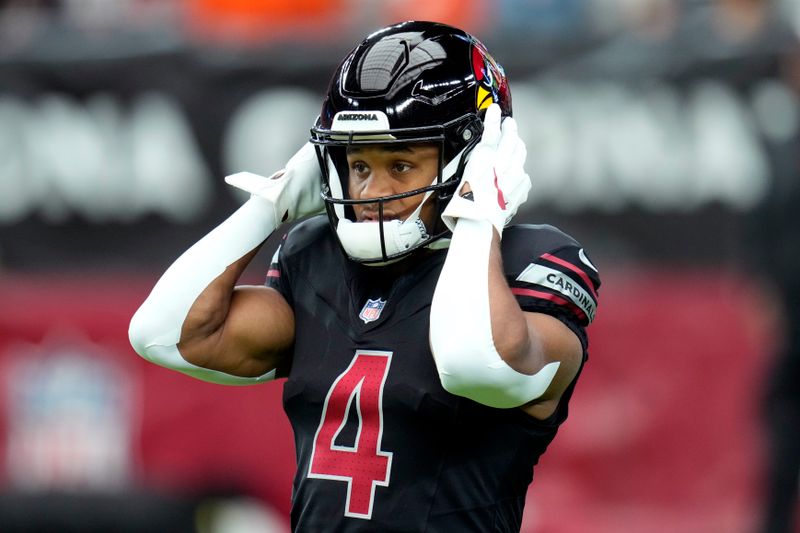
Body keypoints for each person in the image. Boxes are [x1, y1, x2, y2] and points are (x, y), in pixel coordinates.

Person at [129, 21, 601, 532]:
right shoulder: (318, 260)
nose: (372, 191)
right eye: (358, 165)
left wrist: (479, 212)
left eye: (400, 165)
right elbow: (165, 334)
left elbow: (476, 363)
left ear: (473, 156)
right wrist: (271, 204)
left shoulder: (530, 261)